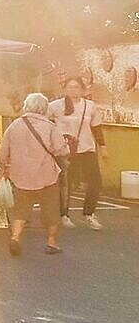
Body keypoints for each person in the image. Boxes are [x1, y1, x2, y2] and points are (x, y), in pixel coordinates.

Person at [0, 93, 70, 255]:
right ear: (45, 108)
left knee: (21, 209)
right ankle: (51, 243)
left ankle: (16, 237)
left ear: (26, 106)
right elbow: (61, 150)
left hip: (21, 176)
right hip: (47, 176)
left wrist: (3, 167)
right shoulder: (50, 127)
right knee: (51, 210)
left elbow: (3, 151)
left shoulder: (14, 126)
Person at [49, 77, 107, 230]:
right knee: (66, 183)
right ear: (64, 89)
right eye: (70, 87)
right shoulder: (55, 106)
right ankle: (64, 214)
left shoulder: (90, 106)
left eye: (76, 87)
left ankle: (89, 213)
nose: (73, 90)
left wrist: (103, 146)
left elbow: (96, 128)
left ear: (82, 89)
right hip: (65, 150)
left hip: (86, 148)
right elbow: (46, 125)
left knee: (95, 181)